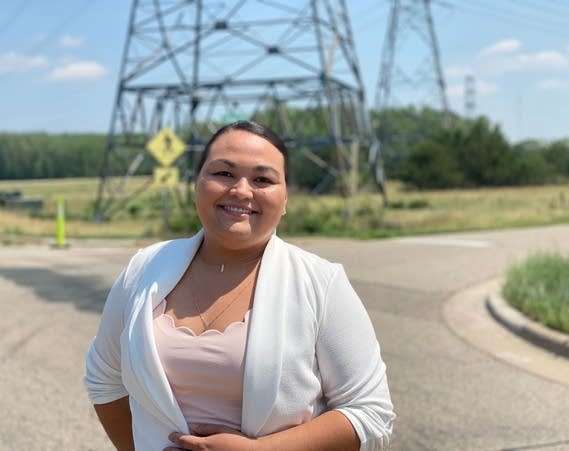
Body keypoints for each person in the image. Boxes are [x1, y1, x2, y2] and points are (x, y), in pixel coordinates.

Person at [85, 120, 395, 451]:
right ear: (197, 183)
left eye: (263, 179)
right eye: (223, 173)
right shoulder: (144, 268)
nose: (241, 190)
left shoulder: (321, 282)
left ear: (285, 197)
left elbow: (371, 414)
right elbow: (104, 379)